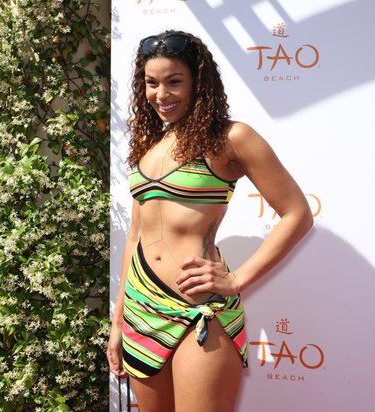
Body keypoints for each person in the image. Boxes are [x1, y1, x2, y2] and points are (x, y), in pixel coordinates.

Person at [107, 30, 313, 412]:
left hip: (200, 310)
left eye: (174, 81)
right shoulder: (148, 146)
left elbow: (297, 213)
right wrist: (118, 320)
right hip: (140, 309)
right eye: (152, 83)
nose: (161, 94)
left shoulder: (231, 138)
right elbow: (136, 234)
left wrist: (236, 280)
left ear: (198, 82)